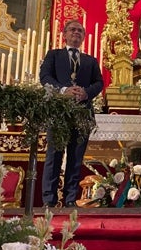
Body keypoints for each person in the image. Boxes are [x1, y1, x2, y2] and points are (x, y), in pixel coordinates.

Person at [39, 19, 103, 208]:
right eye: (72, 30)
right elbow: (45, 77)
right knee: (54, 156)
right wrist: (63, 90)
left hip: (82, 113)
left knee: (76, 159)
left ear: (83, 37)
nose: (76, 33)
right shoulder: (54, 55)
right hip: (59, 112)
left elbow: (99, 83)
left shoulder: (90, 61)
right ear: (64, 34)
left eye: (80, 31)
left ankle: (70, 199)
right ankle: (49, 200)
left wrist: (86, 93)